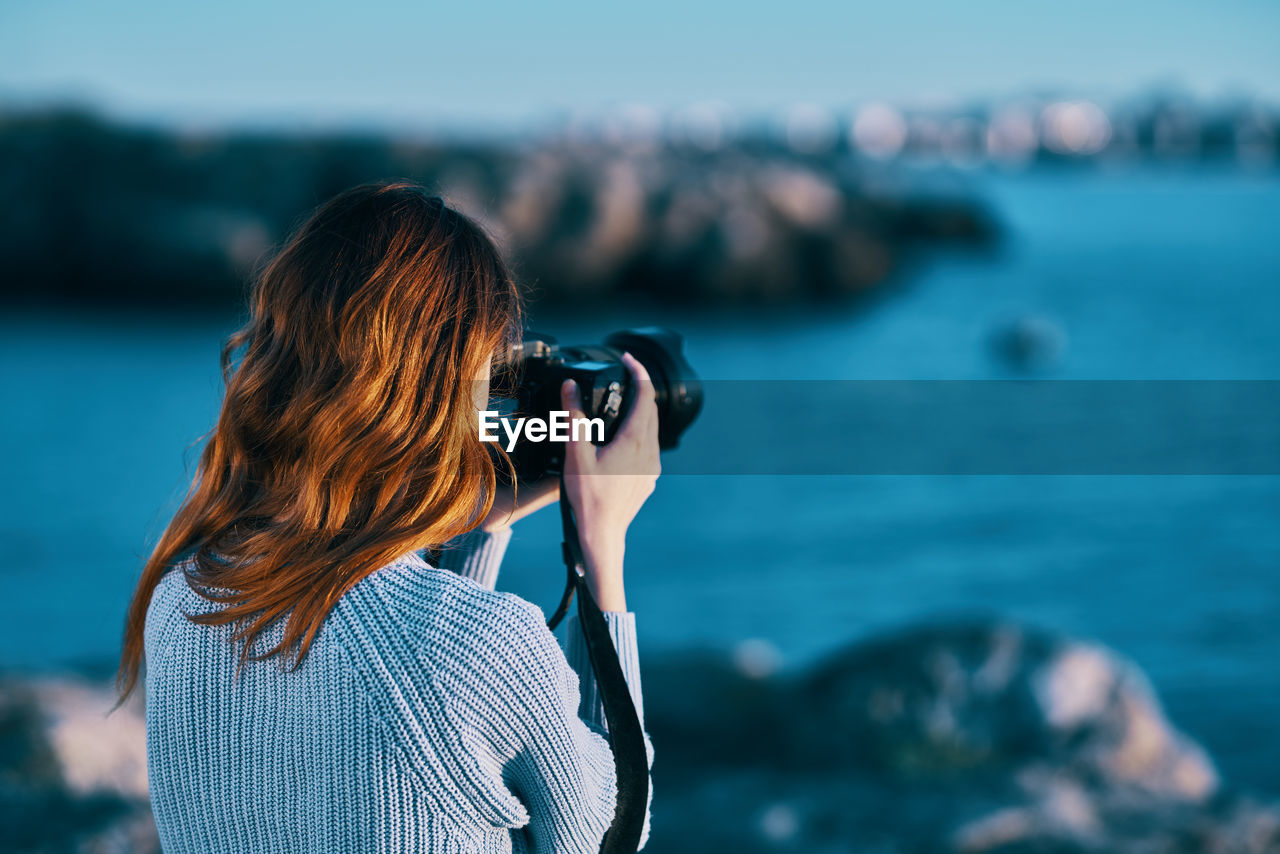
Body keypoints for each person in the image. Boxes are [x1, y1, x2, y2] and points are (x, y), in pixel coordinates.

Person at [117, 181, 658, 853]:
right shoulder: (488, 646)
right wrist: (602, 543)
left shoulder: (182, 599)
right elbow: (608, 834)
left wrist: (481, 524)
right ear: (456, 385)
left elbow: (415, 699)